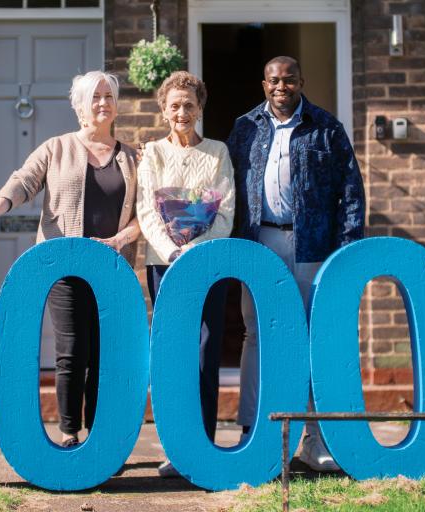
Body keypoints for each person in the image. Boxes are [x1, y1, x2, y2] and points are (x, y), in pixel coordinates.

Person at [0, 71, 140, 448]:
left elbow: (148, 213)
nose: (103, 103)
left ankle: (101, 437)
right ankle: (70, 432)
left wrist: (123, 238)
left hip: (112, 269)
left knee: (106, 355)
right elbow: (22, 181)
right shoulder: (56, 148)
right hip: (65, 266)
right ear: (79, 106)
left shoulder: (131, 158)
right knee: (72, 352)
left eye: (109, 96)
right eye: (94, 97)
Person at [226, 56, 365, 471]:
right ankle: (252, 431)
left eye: (289, 80)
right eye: (274, 80)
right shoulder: (244, 127)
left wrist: (346, 248)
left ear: (301, 81)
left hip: (312, 245)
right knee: (256, 335)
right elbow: (224, 184)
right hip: (259, 241)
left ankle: (315, 438)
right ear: (263, 83)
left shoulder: (327, 128)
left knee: (311, 337)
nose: (281, 86)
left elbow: (351, 191)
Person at [136, 71, 235, 477]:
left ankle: (204, 443)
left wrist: (193, 251)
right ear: (163, 110)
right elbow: (146, 209)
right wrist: (172, 250)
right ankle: (175, 447)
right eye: (174, 105)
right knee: (173, 355)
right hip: (163, 264)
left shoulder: (218, 153)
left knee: (205, 352)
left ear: (200, 108)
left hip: (205, 264)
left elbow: (225, 211)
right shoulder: (153, 155)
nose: (182, 112)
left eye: (189, 105)